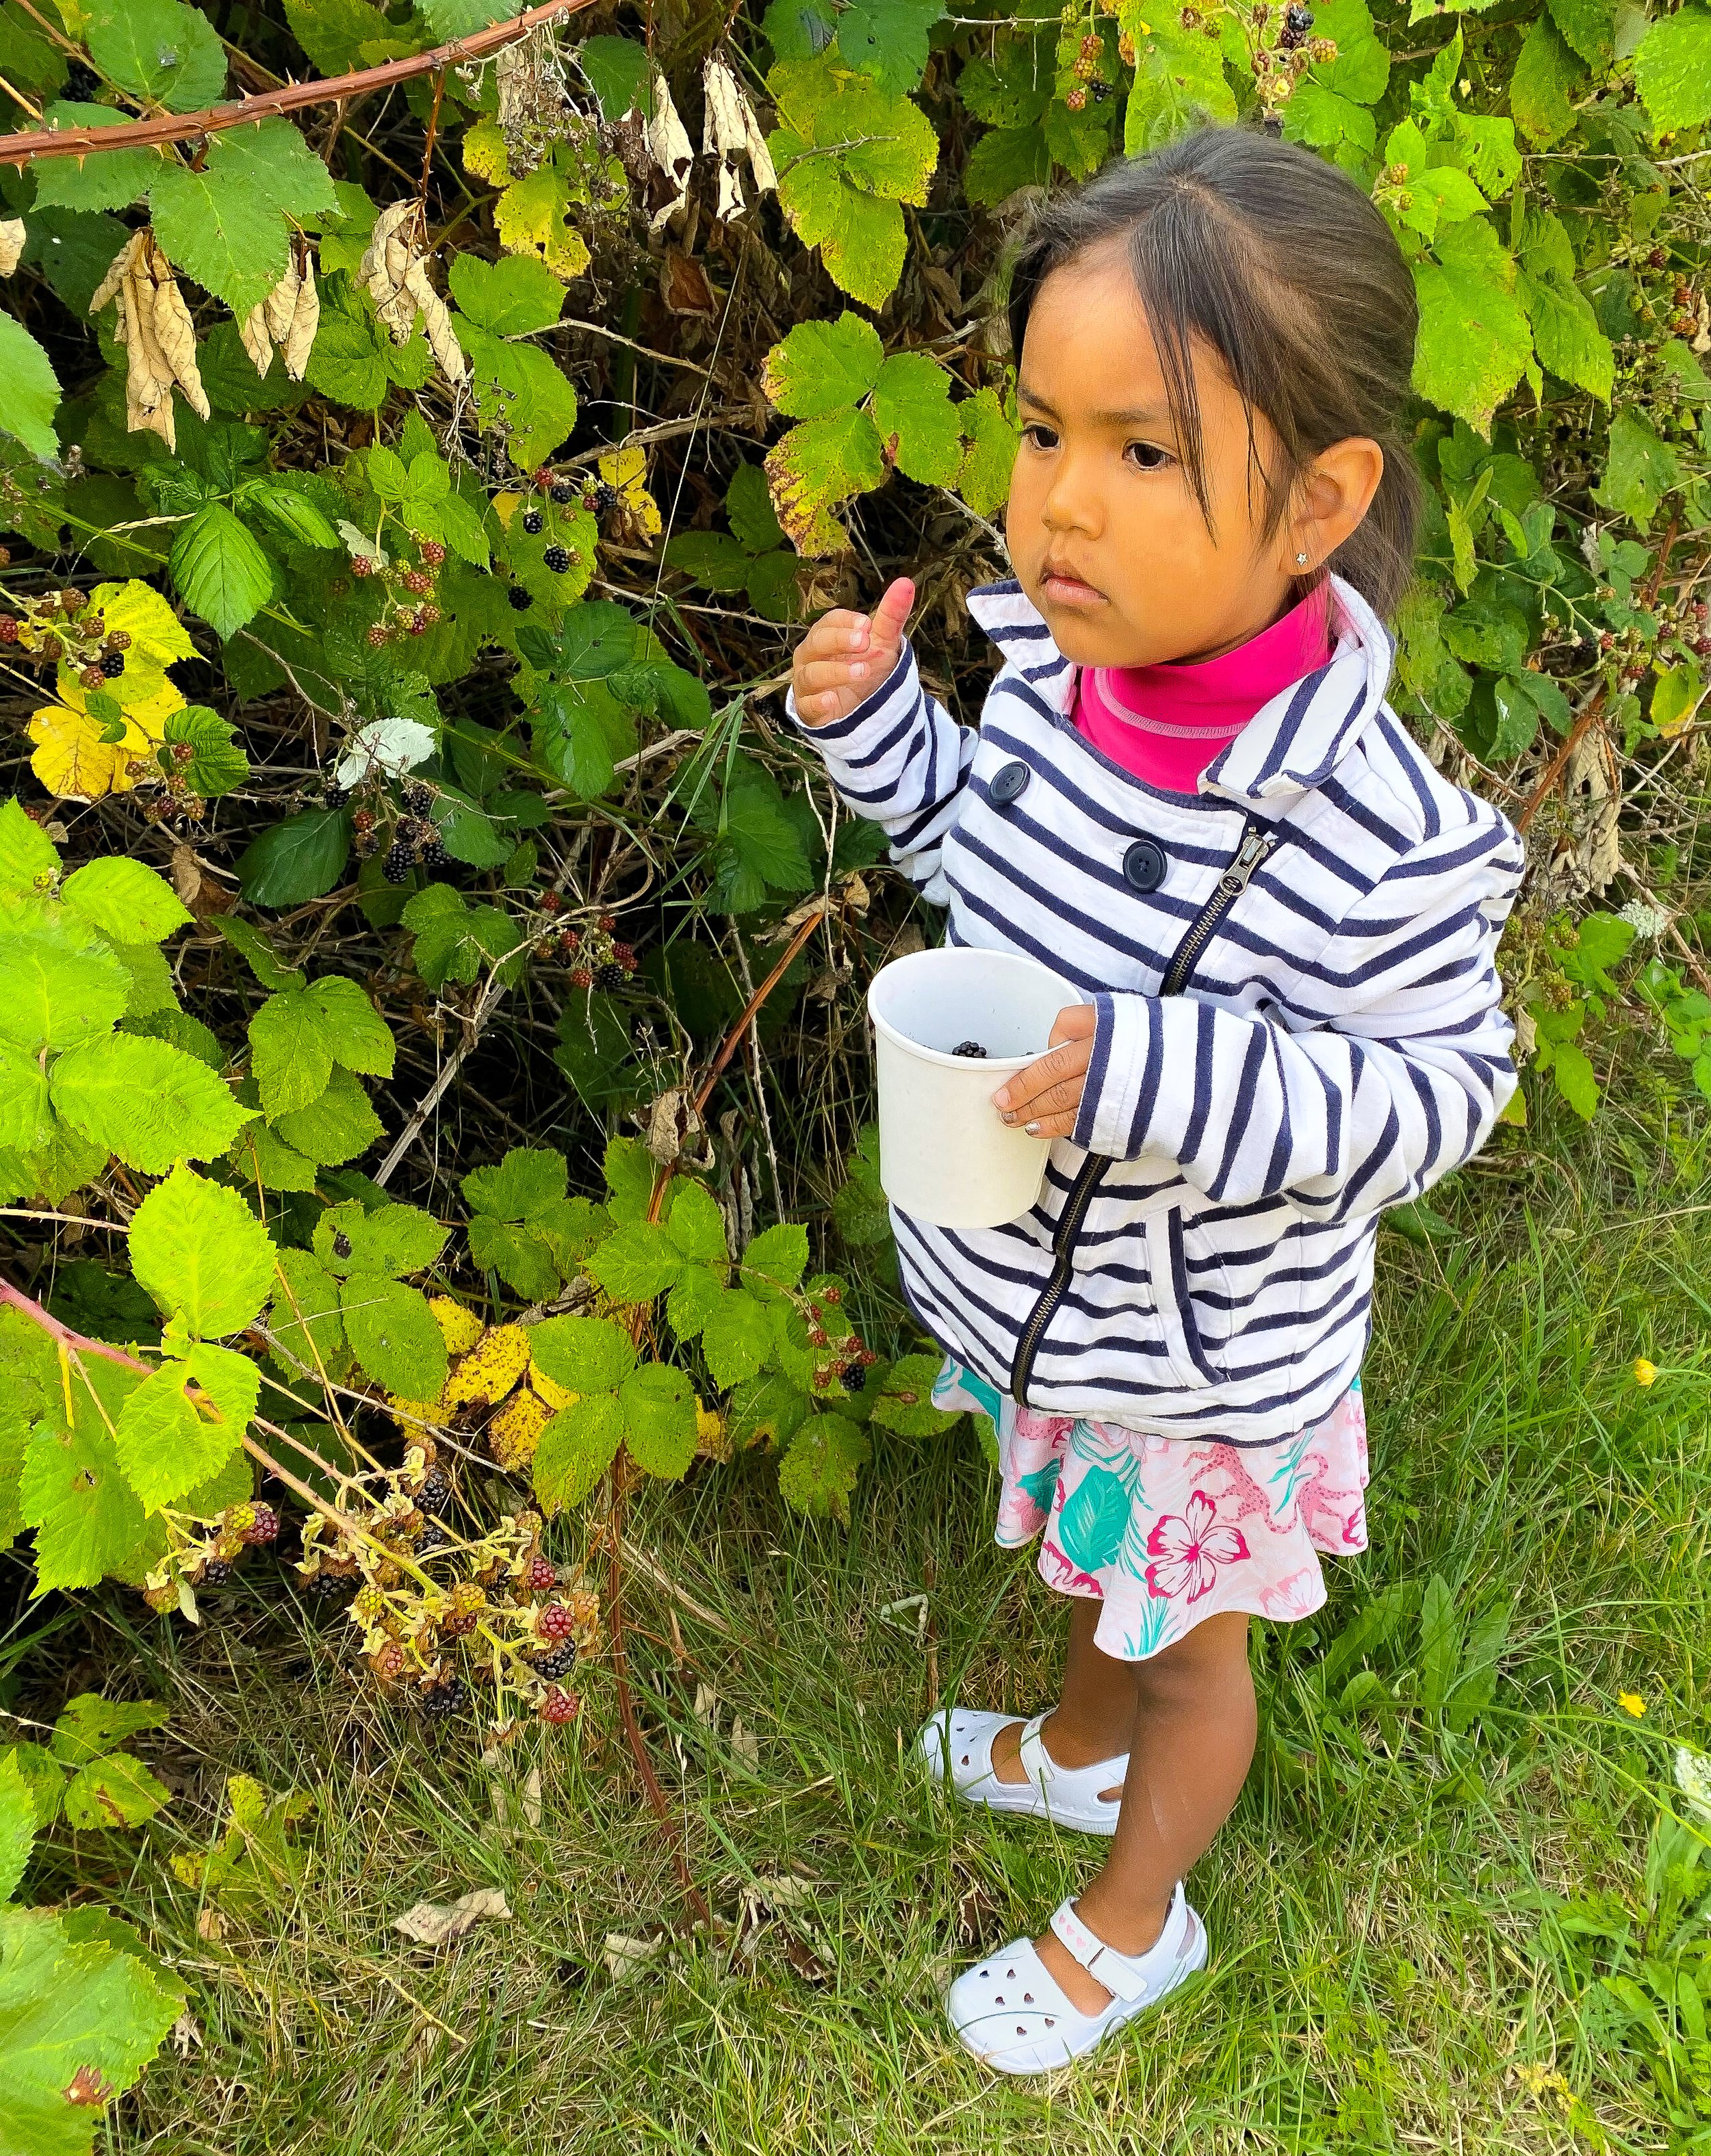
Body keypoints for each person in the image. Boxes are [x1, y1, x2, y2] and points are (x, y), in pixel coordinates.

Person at [788, 125, 1524, 2076]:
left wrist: (1161, 1071)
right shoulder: (1057, 679)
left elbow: (1439, 1094)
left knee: (1194, 1633)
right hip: (1061, 1307)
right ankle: (1071, 1743)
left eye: (1139, 454)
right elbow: (985, 866)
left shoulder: (1367, 832)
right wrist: (882, 737)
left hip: (1205, 1353)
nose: (1060, 508)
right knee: (1097, 1554)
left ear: (1314, 501)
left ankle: (1136, 1914)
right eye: (1041, 433)